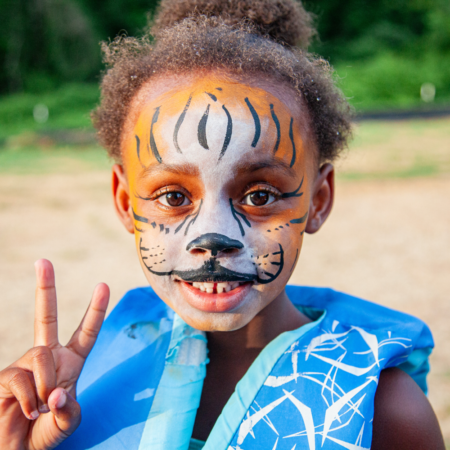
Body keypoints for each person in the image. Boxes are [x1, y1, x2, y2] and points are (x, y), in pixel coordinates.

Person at [0, 0, 445, 449]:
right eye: (173, 197)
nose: (212, 237)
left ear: (318, 199)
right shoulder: (82, 383)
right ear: (124, 200)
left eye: (259, 196)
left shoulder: (385, 413)